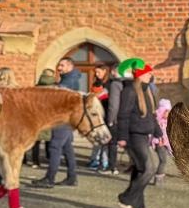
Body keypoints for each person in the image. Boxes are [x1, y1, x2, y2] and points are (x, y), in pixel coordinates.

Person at [113, 60, 157, 208]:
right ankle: (126, 198)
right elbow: (123, 115)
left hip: (145, 134)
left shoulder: (147, 91)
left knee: (140, 169)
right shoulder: (130, 91)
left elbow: (152, 115)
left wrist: (158, 132)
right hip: (133, 135)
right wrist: (122, 137)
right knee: (149, 168)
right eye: (148, 73)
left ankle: (138, 206)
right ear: (140, 75)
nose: (151, 75)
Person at [32, 58, 84, 188]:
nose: (59, 68)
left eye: (62, 65)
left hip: (62, 119)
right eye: (59, 65)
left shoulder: (69, 80)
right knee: (67, 148)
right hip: (66, 119)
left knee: (55, 147)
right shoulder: (68, 77)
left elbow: (58, 94)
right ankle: (72, 178)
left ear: (70, 66)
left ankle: (49, 179)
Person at [87, 61, 122, 173]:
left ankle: (107, 163)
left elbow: (107, 98)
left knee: (107, 141)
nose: (97, 74)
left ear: (106, 71)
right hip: (99, 113)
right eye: (95, 72)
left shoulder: (110, 84)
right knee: (100, 140)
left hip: (107, 114)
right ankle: (98, 160)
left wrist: (95, 96)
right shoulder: (97, 83)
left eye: (99, 72)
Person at [149, 97, 173, 185]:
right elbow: (156, 132)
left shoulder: (167, 121)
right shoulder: (157, 121)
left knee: (164, 160)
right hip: (159, 143)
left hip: (165, 143)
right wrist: (158, 140)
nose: (169, 113)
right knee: (163, 160)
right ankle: (158, 178)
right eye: (167, 111)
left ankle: (158, 178)